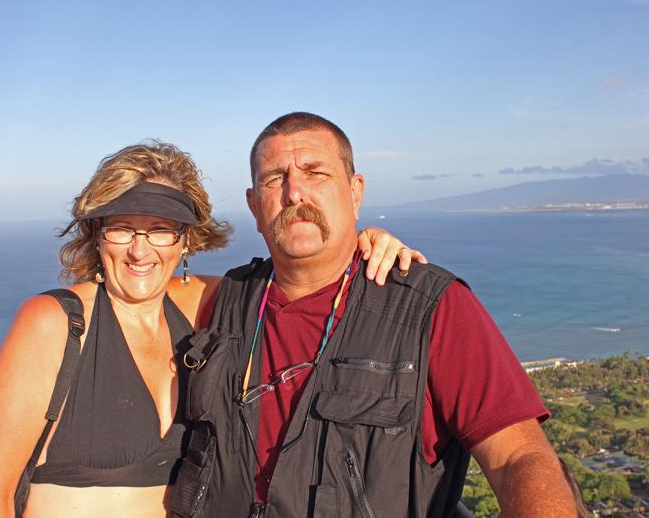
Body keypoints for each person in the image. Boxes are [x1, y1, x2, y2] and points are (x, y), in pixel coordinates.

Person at [0, 141, 424, 518]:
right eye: (122, 228)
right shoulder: (54, 322)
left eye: (160, 229)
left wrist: (363, 247)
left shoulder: (206, 303)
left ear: (185, 240)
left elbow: (303, 282)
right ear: (97, 235)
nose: (140, 252)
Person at [172, 113, 581, 517]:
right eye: (274, 179)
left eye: (316, 173)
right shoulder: (222, 300)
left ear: (355, 192)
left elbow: (519, 457)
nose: (294, 193)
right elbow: (124, 283)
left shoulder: (428, 307)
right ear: (254, 205)